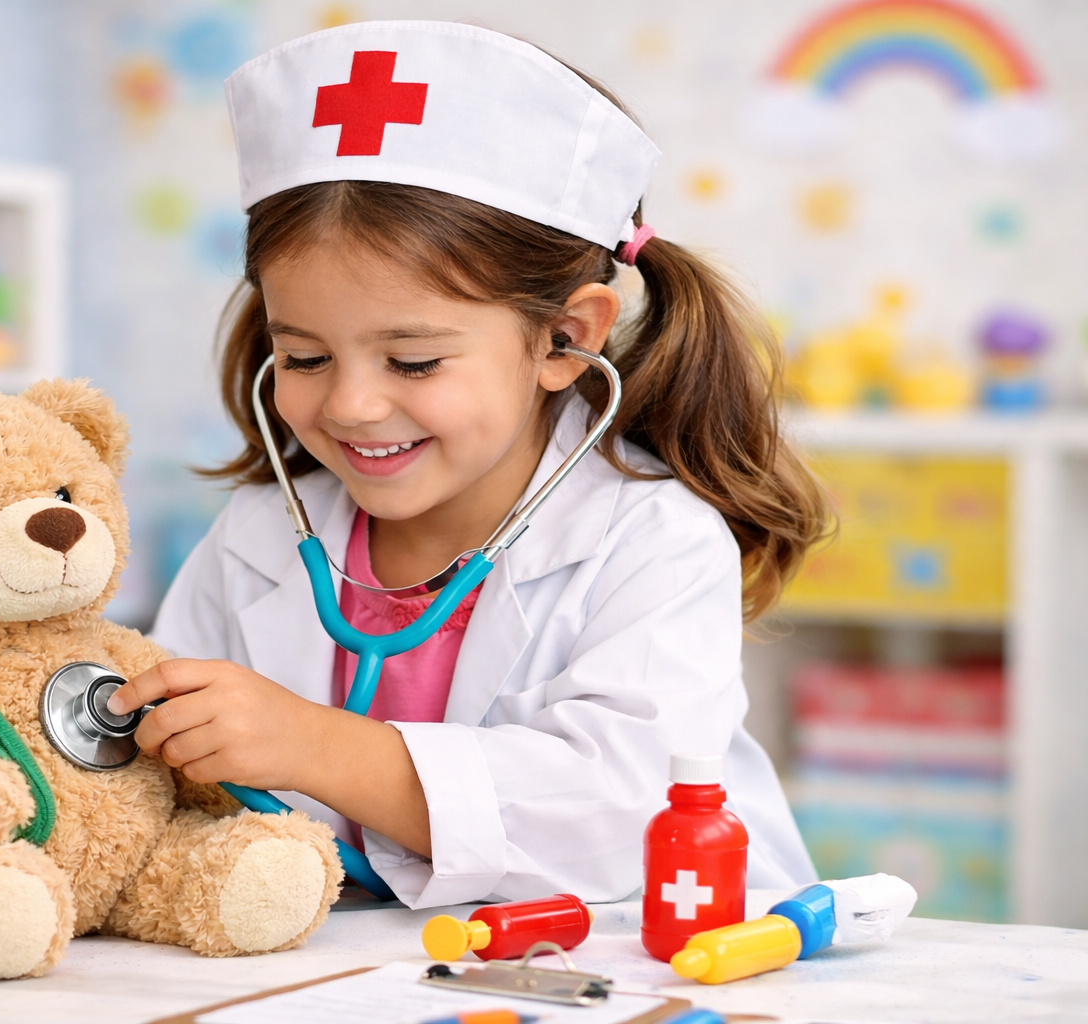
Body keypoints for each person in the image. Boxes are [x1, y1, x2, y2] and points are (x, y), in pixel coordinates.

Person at [103, 20, 829, 907]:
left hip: (634, 964)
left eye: (412, 362)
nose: (350, 405)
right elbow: (160, 774)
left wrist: (317, 746)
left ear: (565, 339)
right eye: (303, 356)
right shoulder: (258, 537)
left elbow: (629, 809)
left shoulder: (653, 541)